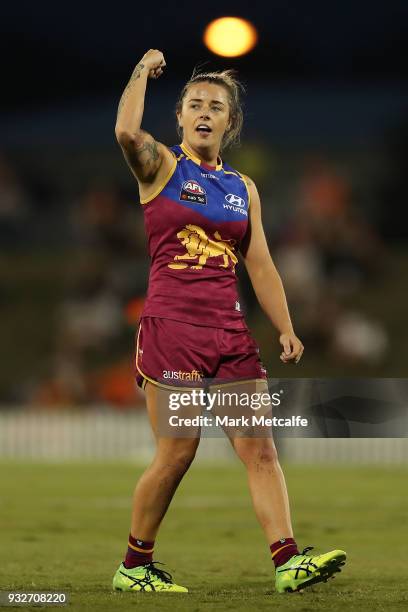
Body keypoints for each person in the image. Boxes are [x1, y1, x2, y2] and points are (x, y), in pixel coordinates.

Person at [112, 49, 347, 595]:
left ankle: (288, 561)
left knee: (260, 447)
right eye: (194, 104)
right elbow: (126, 130)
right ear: (179, 117)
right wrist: (141, 72)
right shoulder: (161, 167)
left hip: (230, 334)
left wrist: (286, 326)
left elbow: (259, 261)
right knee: (178, 451)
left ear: (229, 122)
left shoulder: (243, 188)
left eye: (215, 106)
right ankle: (134, 565)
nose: (204, 112)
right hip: (173, 331)